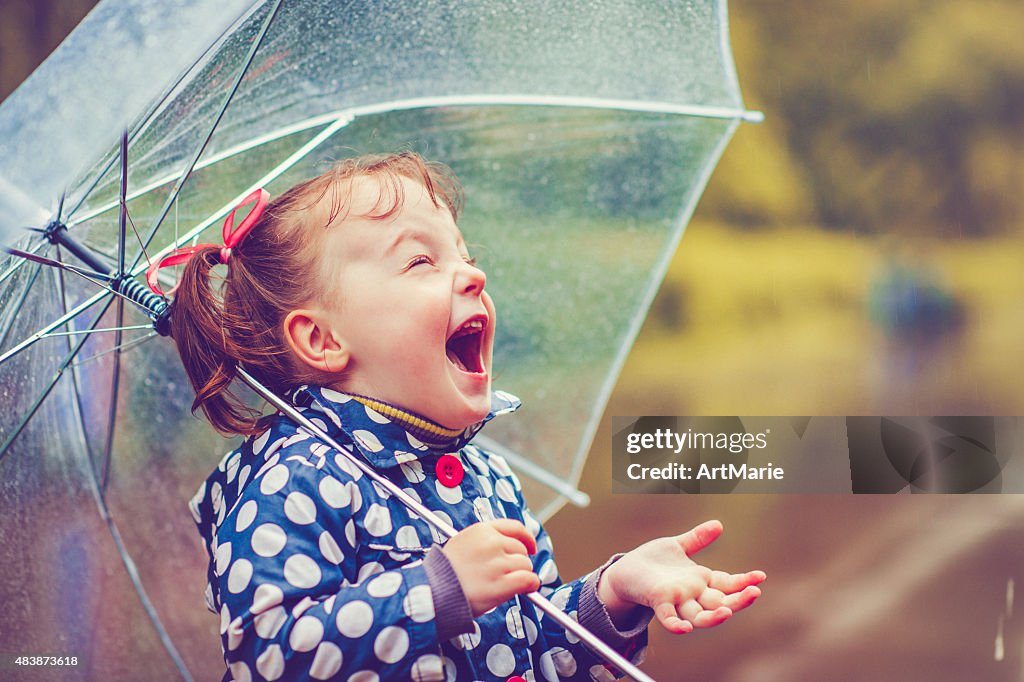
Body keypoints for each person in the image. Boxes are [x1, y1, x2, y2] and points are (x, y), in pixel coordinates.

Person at [171, 152, 766, 681]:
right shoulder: (293, 481)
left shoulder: (487, 479)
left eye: (466, 254)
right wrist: (437, 590)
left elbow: (539, 649)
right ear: (322, 339)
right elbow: (268, 658)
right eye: (420, 262)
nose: (474, 275)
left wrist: (614, 593)